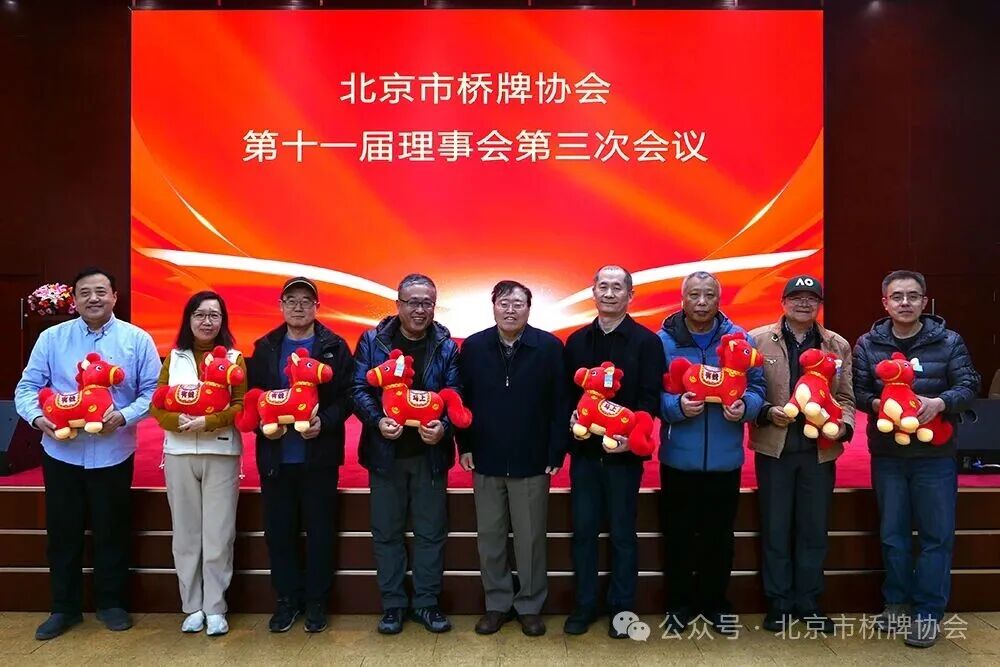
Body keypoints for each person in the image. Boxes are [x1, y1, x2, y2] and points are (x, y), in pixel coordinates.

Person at [14, 266, 161, 640]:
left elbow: (153, 392)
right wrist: (38, 419)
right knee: (63, 533)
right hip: (61, 451)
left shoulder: (136, 339)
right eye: (85, 292)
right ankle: (64, 608)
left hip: (113, 450)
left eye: (100, 291)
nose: (93, 298)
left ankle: (112, 604)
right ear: (74, 300)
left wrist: (124, 415)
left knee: (112, 529)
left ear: (114, 297)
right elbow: (27, 387)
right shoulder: (52, 338)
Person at [853, 269, 980, 648]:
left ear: (924, 301)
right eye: (897, 296)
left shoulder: (948, 341)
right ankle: (896, 603)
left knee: (935, 536)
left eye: (912, 296)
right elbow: (858, 390)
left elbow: (969, 384)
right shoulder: (868, 344)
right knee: (893, 534)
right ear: (885, 303)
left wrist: (939, 403)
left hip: (934, 455)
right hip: (888, 455)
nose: (905, 303)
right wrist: (880, 405)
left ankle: (927, 614)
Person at [352, 273, 462, 635]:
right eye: (413, 302)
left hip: (430, 455)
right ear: (398, 304)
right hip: (385, 454)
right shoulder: (373, 341)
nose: (420, 310)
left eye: (427, 303)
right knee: (387, 532)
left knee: (431, 532)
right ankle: (393, 605)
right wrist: (377, 420)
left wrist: (443, 426)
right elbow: (358, 388)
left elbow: (456, 392)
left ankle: (427, 604)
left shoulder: (446, 345)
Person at [457, 280, 568, 637]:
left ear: (529, 309)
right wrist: (465, 445)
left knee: (530, 538)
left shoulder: (549, 347)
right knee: (490, 537)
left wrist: (556, 450)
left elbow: (561, 404)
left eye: (518, 303)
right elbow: (462, 400)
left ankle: (530, 605)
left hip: (532, 459)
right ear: (493, 306)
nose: (510, 309)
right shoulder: (474, 347)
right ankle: (497, 603)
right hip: (486, 457)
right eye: (503, 303)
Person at [658, 271, 765, 636]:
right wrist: (675, 406)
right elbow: (651, 392)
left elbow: (757, 387)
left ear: (719, 300)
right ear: (683, 299)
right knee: (679, 536)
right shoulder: (663, 341)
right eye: (694, 295)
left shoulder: (739, 338)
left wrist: (746, 407)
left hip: (724, 459)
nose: (702, 302)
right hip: (679, 458)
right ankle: (678, 604)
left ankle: (715, 604)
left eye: (709, 295)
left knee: (719, 538)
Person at [246, 277, 354, 633]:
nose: (298, 306)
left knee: (320, 531)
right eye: (291, 300)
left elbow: (348, 396)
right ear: (281, 305)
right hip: (276, 458)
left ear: (317, 307)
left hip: (319, 457)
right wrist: (263, 425)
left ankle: (317, 601)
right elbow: (254, 397)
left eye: (306, 301)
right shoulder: (265, 347)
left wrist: (325, 421)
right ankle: (286, 600)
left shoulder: (334, 346)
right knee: (279, 533)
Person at [563, 265, 666, 638]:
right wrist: (571, 415)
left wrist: (632, 438)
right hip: (585, 455)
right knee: (584, 532)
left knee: (623, 533)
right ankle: (585, 604)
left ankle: (622, 608)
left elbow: (650, 398)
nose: (609, 293)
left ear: (630, 295)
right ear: (593, 291)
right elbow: (566, 394)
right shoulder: (576, 341)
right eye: (603, 286)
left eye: (617, 287)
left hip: (624, 457)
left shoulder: (646, 342)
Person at [748, 275, 855, 634]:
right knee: (776, 529)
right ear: (783, 302)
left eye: (811, 298)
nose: (804, 304)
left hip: (818, 452)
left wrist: (843, 426)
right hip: (774, 448)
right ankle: (778, 603)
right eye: (796, 297)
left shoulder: (836, 344)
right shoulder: (758, 339)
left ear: (820, 305)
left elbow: (846, 398)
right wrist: (766, 411)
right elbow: (748, 390)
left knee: (813, 530)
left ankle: (809, 602)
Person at [149, 291, 247, 636]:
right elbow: (157, 403)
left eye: (214, 315)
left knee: (219, 534)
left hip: (220, 452)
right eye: (200, 314)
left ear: (223, 321)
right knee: (186, 534)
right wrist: (176, 422)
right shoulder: (174, 358)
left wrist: (209, 422)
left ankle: (215, 607)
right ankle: (192, 606)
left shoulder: (234, 358)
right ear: (188, 319)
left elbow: (239, 405)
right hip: (178, 454)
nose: (207, 321)